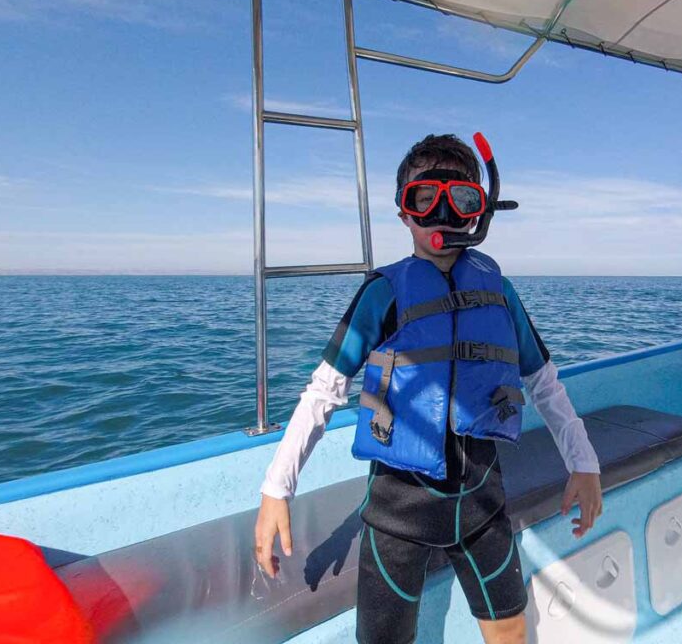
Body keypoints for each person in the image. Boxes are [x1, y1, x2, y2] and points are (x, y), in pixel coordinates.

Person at [255, 133, 602, 644]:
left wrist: (584, 462)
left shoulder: (498, 290)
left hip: (483, 506)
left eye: (460, 199)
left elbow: (543, 382)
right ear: (405, 213)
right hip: (398, 514)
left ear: (477, 211)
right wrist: (276, 490)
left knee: (511, 631)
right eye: (425, 199)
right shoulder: (384, 292)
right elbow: (324, 390)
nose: (441, 213)